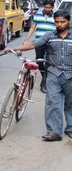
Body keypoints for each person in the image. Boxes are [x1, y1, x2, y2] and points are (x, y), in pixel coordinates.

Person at [7, 9, 72, 142]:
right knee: (52, 102)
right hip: (54, 73)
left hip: (70, 74)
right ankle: (54, 131)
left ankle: (70, 128)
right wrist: (15, 48)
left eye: (63, 22)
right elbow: (33, 45)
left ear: (69, 21)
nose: (59, 24)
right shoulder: (49, 35)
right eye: (57, 22)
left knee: (70, 104)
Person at [24, 0, 56, 93]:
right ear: (43, 7)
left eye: (50, 8)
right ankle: (45, 78)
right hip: (39, 42)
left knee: (49, 63)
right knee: (39, 61)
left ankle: (44, 84)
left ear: (52, 8)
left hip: (51, 42)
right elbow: (33, 27)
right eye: (46, 7)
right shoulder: (38, 14)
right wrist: (26, 39)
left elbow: (59, 27)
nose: (48, 9)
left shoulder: (55, 16)